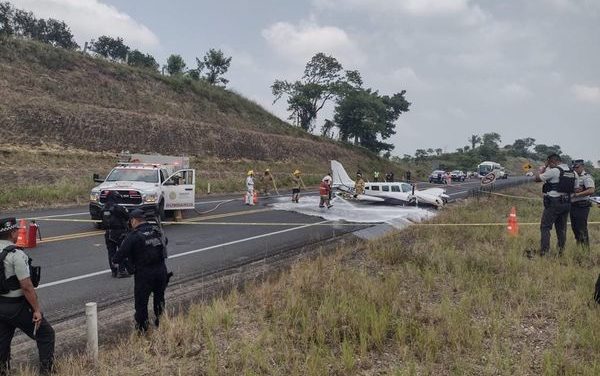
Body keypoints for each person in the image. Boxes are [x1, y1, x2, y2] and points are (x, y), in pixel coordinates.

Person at [0, 218, 54, 375]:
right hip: (17, 305)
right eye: (17, 230)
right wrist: (36, 309)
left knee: (2, 342)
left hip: (1, 305)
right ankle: (46, 371)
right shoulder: (16, 254)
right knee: (46, 334)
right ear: (13, 232)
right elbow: (26, 286)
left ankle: (3, 371)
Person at [113, 209, 169, 333]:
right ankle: (162, 324)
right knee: (159, 300)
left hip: (144, 275)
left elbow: (117, 257)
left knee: (141, 304)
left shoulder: (133, 236)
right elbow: (165, 242)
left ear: (133, 220)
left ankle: (143, 330)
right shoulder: (157, 231)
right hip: (161, 271)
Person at [534, 153, 577, 256]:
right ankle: (560, 252)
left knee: (545, 227)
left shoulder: (554, 171)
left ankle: (544, 252)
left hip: (554, 202)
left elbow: (537, 179)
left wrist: (543, 168)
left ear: (552, 161)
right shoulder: (573, 173)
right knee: (561, 228)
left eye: (549, 163)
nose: (549, 165)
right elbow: (575, 188)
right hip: (567, 202)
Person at [102, 191, 130, 278]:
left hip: (108, 233)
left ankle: (114, 271)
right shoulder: (118, 208)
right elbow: (127, 216)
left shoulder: (104, 208)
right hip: (119, 232)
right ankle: (122, 271)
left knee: (111, 253)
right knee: (121, 251)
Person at [570, 159, 595, 247]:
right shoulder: (574, 176)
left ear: (582, 166)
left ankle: (585, 249)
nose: (575, 169)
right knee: (575, 228)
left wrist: (577, 194)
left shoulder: (586, 177)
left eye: (577, 167)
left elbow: (591, 190)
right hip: (573, 205)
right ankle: (579, 246)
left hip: (582, 205)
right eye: (574, 167)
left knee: (581, 228)